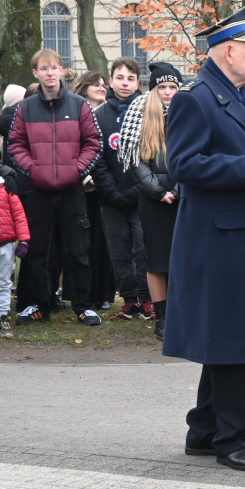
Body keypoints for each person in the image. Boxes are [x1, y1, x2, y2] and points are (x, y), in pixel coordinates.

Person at [164, 7, 245, 473]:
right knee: (231, 336)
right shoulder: (197, 97)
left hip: (236, 232)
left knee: (224, 332)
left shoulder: (239, 93)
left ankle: (204, 430)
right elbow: (183, 165)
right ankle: (233, 439)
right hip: (216, 237)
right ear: (228, 51)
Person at [8, 48, 102, 326]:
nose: (50, 73)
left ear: (61, 71)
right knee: (38, 252)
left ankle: (84, 306)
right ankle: (39, 304)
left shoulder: (79, 105)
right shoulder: (25, 108)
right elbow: (15, 145)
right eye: (43, 69)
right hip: (38, 191)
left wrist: (77, 170)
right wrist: (33, 170)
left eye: (54, 68)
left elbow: (93, 142)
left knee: (79, 250)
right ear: (35, 73)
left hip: (72, 190)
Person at [118, 62, 183, 341]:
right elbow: (136, 161)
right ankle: (163, 318)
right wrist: (159, 191)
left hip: (184, 197)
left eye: (172, 86)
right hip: (153, 200)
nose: (167, 92)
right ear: (154, 88)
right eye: (162, 87)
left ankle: (183, 315)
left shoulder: (188, 111)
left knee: (183, 258)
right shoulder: (140, 113)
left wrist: (179, 189)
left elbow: (195, 153)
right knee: (157, 261)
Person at [92, 57, 151, 321]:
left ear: (138, 83)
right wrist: (112, 191)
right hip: (110, 197)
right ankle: (129, 299)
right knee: (119, 251)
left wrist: (136, 189)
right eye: (120, 77)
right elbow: (96, 156)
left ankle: (148, 298)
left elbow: (151, 154)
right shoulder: (99, 115)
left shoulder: (147, 111)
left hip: (142, 196)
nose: (124, 83)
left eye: (130, 78)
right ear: (110, 81)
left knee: (143, 249)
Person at [72, 73, 116, 311]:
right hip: (83, 185)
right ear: (84, 87)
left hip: (105, 184)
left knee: (104, 241)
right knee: (84, 243)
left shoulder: (110, 112)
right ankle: (84, 294)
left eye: (103, 85)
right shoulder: (78, 110)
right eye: (95, 85)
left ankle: (104, 293)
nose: (101, 88)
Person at [0, 165, 30, 338]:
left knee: (4, 283)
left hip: (5, 245)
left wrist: (23, 240)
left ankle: (3, 316)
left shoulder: (8, 187)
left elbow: (19, 215)